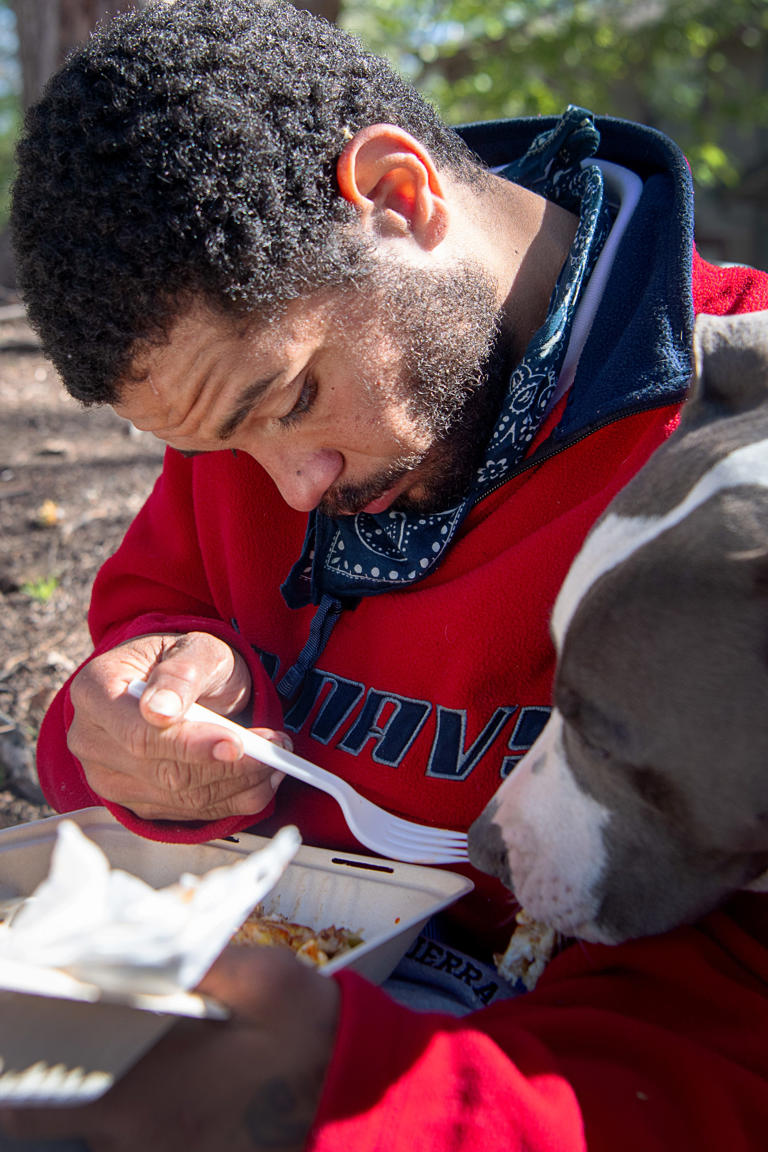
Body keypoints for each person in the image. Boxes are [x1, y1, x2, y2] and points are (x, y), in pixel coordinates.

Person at [4, 0, 768, 1148]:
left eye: (293, 401)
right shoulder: (248, 401)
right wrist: (130, 723)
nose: (293, 490)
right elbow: (143, 635)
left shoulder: (728, 465)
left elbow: (730, 1031)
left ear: (402, 196)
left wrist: (365, 1101)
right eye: (219, 449)